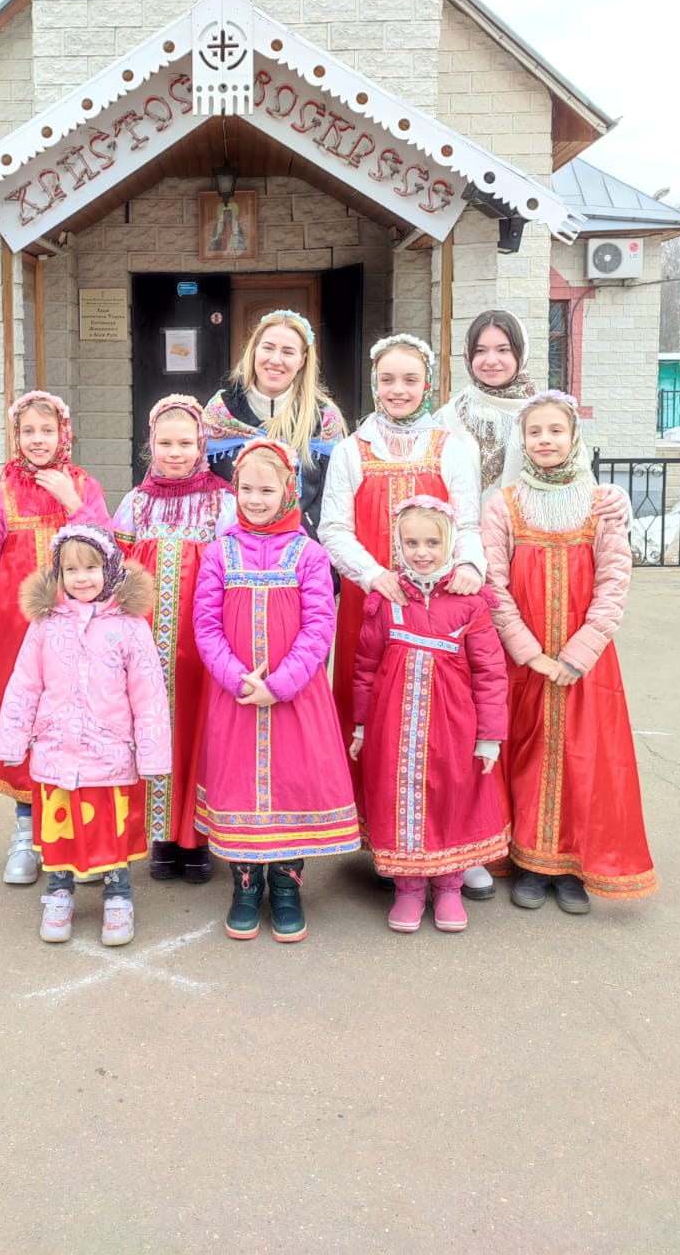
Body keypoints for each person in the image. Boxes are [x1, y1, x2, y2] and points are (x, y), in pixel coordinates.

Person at [481, 391, 657, 912]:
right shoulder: (504, 504)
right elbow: (493, 584)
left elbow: (614, 581)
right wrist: (528, 651)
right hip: (524, 660)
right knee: (527, 753)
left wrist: (579, 653)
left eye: (556, 430)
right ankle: (531, 863)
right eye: (535, 432)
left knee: (584, 757)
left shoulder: (601, 503)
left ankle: (572, 865)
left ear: (573, 436)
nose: (545, 440)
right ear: (523, 440)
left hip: (585, 664)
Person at [192, 439, 360, 943]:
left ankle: (286, 887)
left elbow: (319, 627)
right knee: (239, 785)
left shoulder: (309, 554)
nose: (255, 499)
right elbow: (205, 626)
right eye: (246, 489)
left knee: (291, 783)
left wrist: (280, 685)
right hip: (236, 697)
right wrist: (238, 679)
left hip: (296, 697)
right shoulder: (219, 552)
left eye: (267, 490)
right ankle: (245, 886)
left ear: (289, 490)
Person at [320, 334, 485, 805]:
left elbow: (467, 522)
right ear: (374, 384)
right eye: (388, 379)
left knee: (435, 710)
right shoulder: (352, 449)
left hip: (436, 606)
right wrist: (374, 575)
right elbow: (334, 529)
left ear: (426, 385)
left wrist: (469, 564)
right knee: (369, 702)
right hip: (371, 602)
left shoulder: (450, 447)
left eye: (410, 380)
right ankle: (368, 818)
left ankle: (431, 820)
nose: (398, 389)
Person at [0, 524, 171, 947]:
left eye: (91, 568)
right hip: (56, 752)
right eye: (71, 570)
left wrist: (152, 754)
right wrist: (13, 740)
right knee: (60, 831)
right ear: (59, 574)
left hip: (109, 754)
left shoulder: (129, 626)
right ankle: (59, 893)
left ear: (109, 570)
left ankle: (118, 895)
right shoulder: (45, 624)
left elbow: (148, 693)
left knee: (111, 830)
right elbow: (25, 685)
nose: (81, 578)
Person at [351, 497, 508, 934]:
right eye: (411, 543)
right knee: (398, 799)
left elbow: (491, 673)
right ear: (398, 546)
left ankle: (449, 886)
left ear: (450, 543)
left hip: (454, 728)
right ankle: (408, 889)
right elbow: (365, 666)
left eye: (432, 543)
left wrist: (489, 737)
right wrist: (362, 725)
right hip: (393, 730)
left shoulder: (470, 604)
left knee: (449, 798)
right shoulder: (386, 602)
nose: (422, 552)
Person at [0, 391, 109, 886]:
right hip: (16, 638)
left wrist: (74, 504)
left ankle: (75, 838)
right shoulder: (0, 495)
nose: (37, 440)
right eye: (28, 431)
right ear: (16, 436)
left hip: (76, 636)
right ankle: (26, 833)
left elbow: (108, 550)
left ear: (63, 434)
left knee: (75, 725)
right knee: (26, 726)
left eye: (46, 431)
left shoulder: (84, 487)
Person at [112, 394, 237, 883]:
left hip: (201, 645)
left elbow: (232, 571)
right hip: (146, 647)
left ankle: (197, 838)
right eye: (165, 443)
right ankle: (161, 835)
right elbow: (115, 572)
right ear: (151, 444)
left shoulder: (221, 502)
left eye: (185, 442)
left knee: (198, 732)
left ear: (201, 443)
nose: (175, 452)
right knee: (150, 728)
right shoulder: (136, 503)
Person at [203, 309, 346, 538]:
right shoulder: (220, 412)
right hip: (232, 547)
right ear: (254, 350)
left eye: (288, 352)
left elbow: (336, 496)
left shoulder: (323, 419)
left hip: (302, 548)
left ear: (302, 360)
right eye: (268, 348)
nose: (276, 360)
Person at [434, 310, 537, 503]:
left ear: (520, 352)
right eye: (480, 351)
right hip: (463, 521)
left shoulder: (545, 413)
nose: (491, 361)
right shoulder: (448, 419)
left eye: (503, 350)